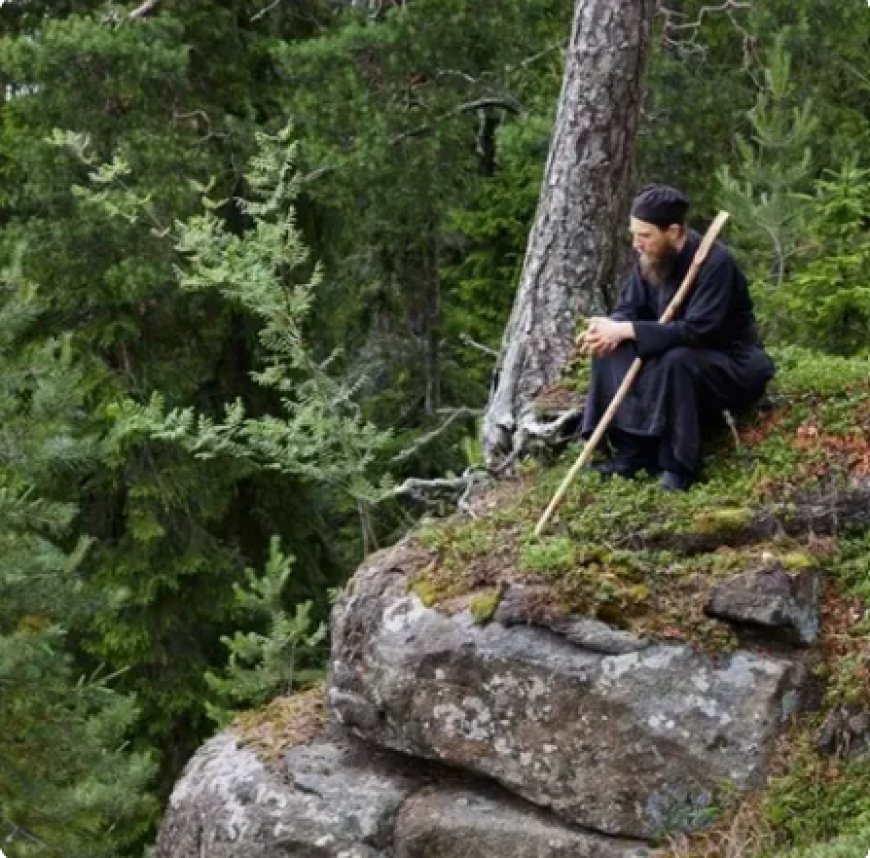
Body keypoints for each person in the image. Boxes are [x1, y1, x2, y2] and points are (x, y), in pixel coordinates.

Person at [579, 184, 775, 490]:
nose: (636, 244)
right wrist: (610, 327)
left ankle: (679, 467)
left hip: (730, 364)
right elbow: (629, 309)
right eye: (634, 234)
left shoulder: (716, 263)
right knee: (611, 349)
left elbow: (698, 331)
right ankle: (633, 453)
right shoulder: (649, 258)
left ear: (672, 231)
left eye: (645, 235)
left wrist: (628, 330)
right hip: (672, 350)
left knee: (677, 360)